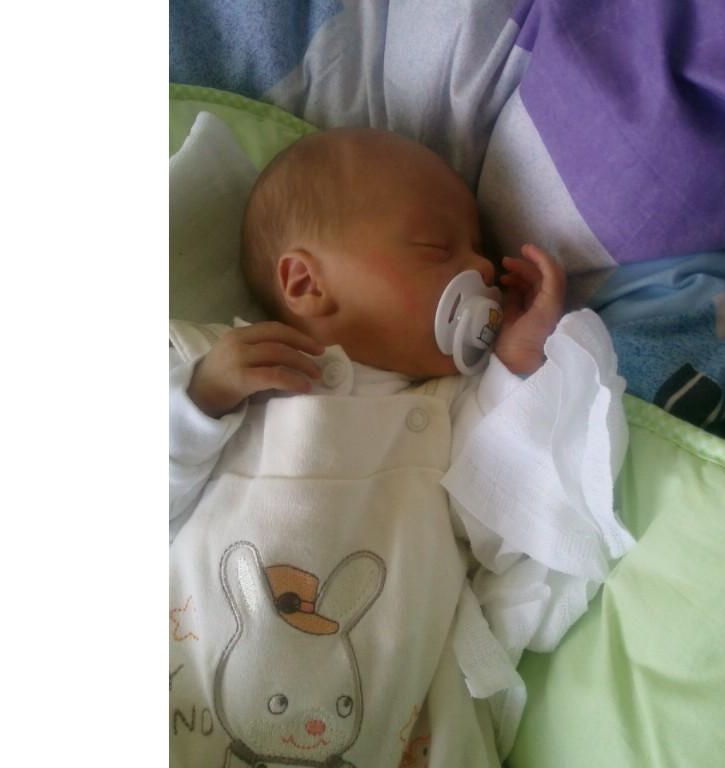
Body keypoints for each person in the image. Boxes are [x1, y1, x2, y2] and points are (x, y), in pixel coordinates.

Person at [169, 129, 631, 767]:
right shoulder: (227, 373)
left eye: (479, 249)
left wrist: (517, 365)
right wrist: (198, 401)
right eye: (438, 247)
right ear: (305, 282)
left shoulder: (449, 407)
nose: (483, 270)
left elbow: (501, 504)